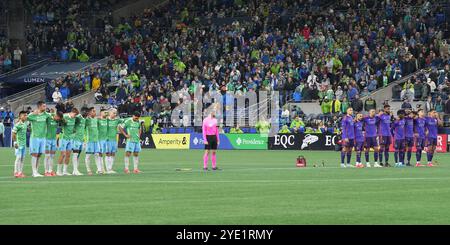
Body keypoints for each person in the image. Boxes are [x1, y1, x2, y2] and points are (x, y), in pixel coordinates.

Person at [27, 101, 51, 177]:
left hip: (43, 137)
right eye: (44, 106)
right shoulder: (33, 115)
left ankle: (36, 171)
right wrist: (32, 113)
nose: (45, 107)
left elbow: (53, 116)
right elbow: (24, 118)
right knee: (34, 154)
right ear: (39, 106)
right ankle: (34, 172)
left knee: (39, 154)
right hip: (35, 138)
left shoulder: (46, 115)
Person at [57, 108, 78, 176]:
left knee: (68, 155)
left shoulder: (74, 118)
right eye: (74, 115)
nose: (75, 116)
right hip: (63, 138)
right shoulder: (65, 116)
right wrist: (62, 121)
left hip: (70, 138)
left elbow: (73, 128)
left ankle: (65, 171)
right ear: (72, 112)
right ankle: (58, 171)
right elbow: (59, 120)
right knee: (63, 154)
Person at [44, 110, 63, 176]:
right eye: (58, 118)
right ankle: (46, 171)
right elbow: (44, 113)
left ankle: (50, 170)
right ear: (56, 115)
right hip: (47, 139)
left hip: (53, 139)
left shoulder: (57, 120)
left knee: (52, 156)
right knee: (47, 156)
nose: (58, 120)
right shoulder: (49, 117)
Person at [85, 107, 102, 175]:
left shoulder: (96, 120)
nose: (95, 112)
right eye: (93, 111)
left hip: (96, 140)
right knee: (88, 156)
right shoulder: (87, 120)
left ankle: (99, 169)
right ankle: (88, 170)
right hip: (89, 140)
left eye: (95, 111)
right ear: (89, 113)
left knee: (97, 155)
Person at [105, 108, 123, 174]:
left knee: (113, 154)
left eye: (116, 113)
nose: (115, 114)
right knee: (108, 153)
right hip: (107, 139)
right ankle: (107, 169)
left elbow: (124, 121)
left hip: (114, 139)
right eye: (113, 113)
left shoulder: (117, 120)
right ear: (110, 113)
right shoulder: (106, 120)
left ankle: (110, 168)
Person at [12, 111, 28, 178]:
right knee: (18, 158)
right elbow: (13, 134)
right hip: (18, 144)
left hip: (24, 144)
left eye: (26, 115)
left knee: (22, 158)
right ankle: (16, 172)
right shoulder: (17, 124)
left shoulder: (25, 124)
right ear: (20, 116)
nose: (25, 117)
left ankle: (20, 172)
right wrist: (15, 142)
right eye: (24, 115)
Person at [72, 109, 87, 175]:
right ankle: (75, 170)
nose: (85, 113)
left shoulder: (84, 119)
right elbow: (72, 121)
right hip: (76, 139)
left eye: (86, 112)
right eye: (84, 111)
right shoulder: (78, 117)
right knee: (75, 154)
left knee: (78, 155)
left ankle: (75, 170)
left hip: (81, 139)